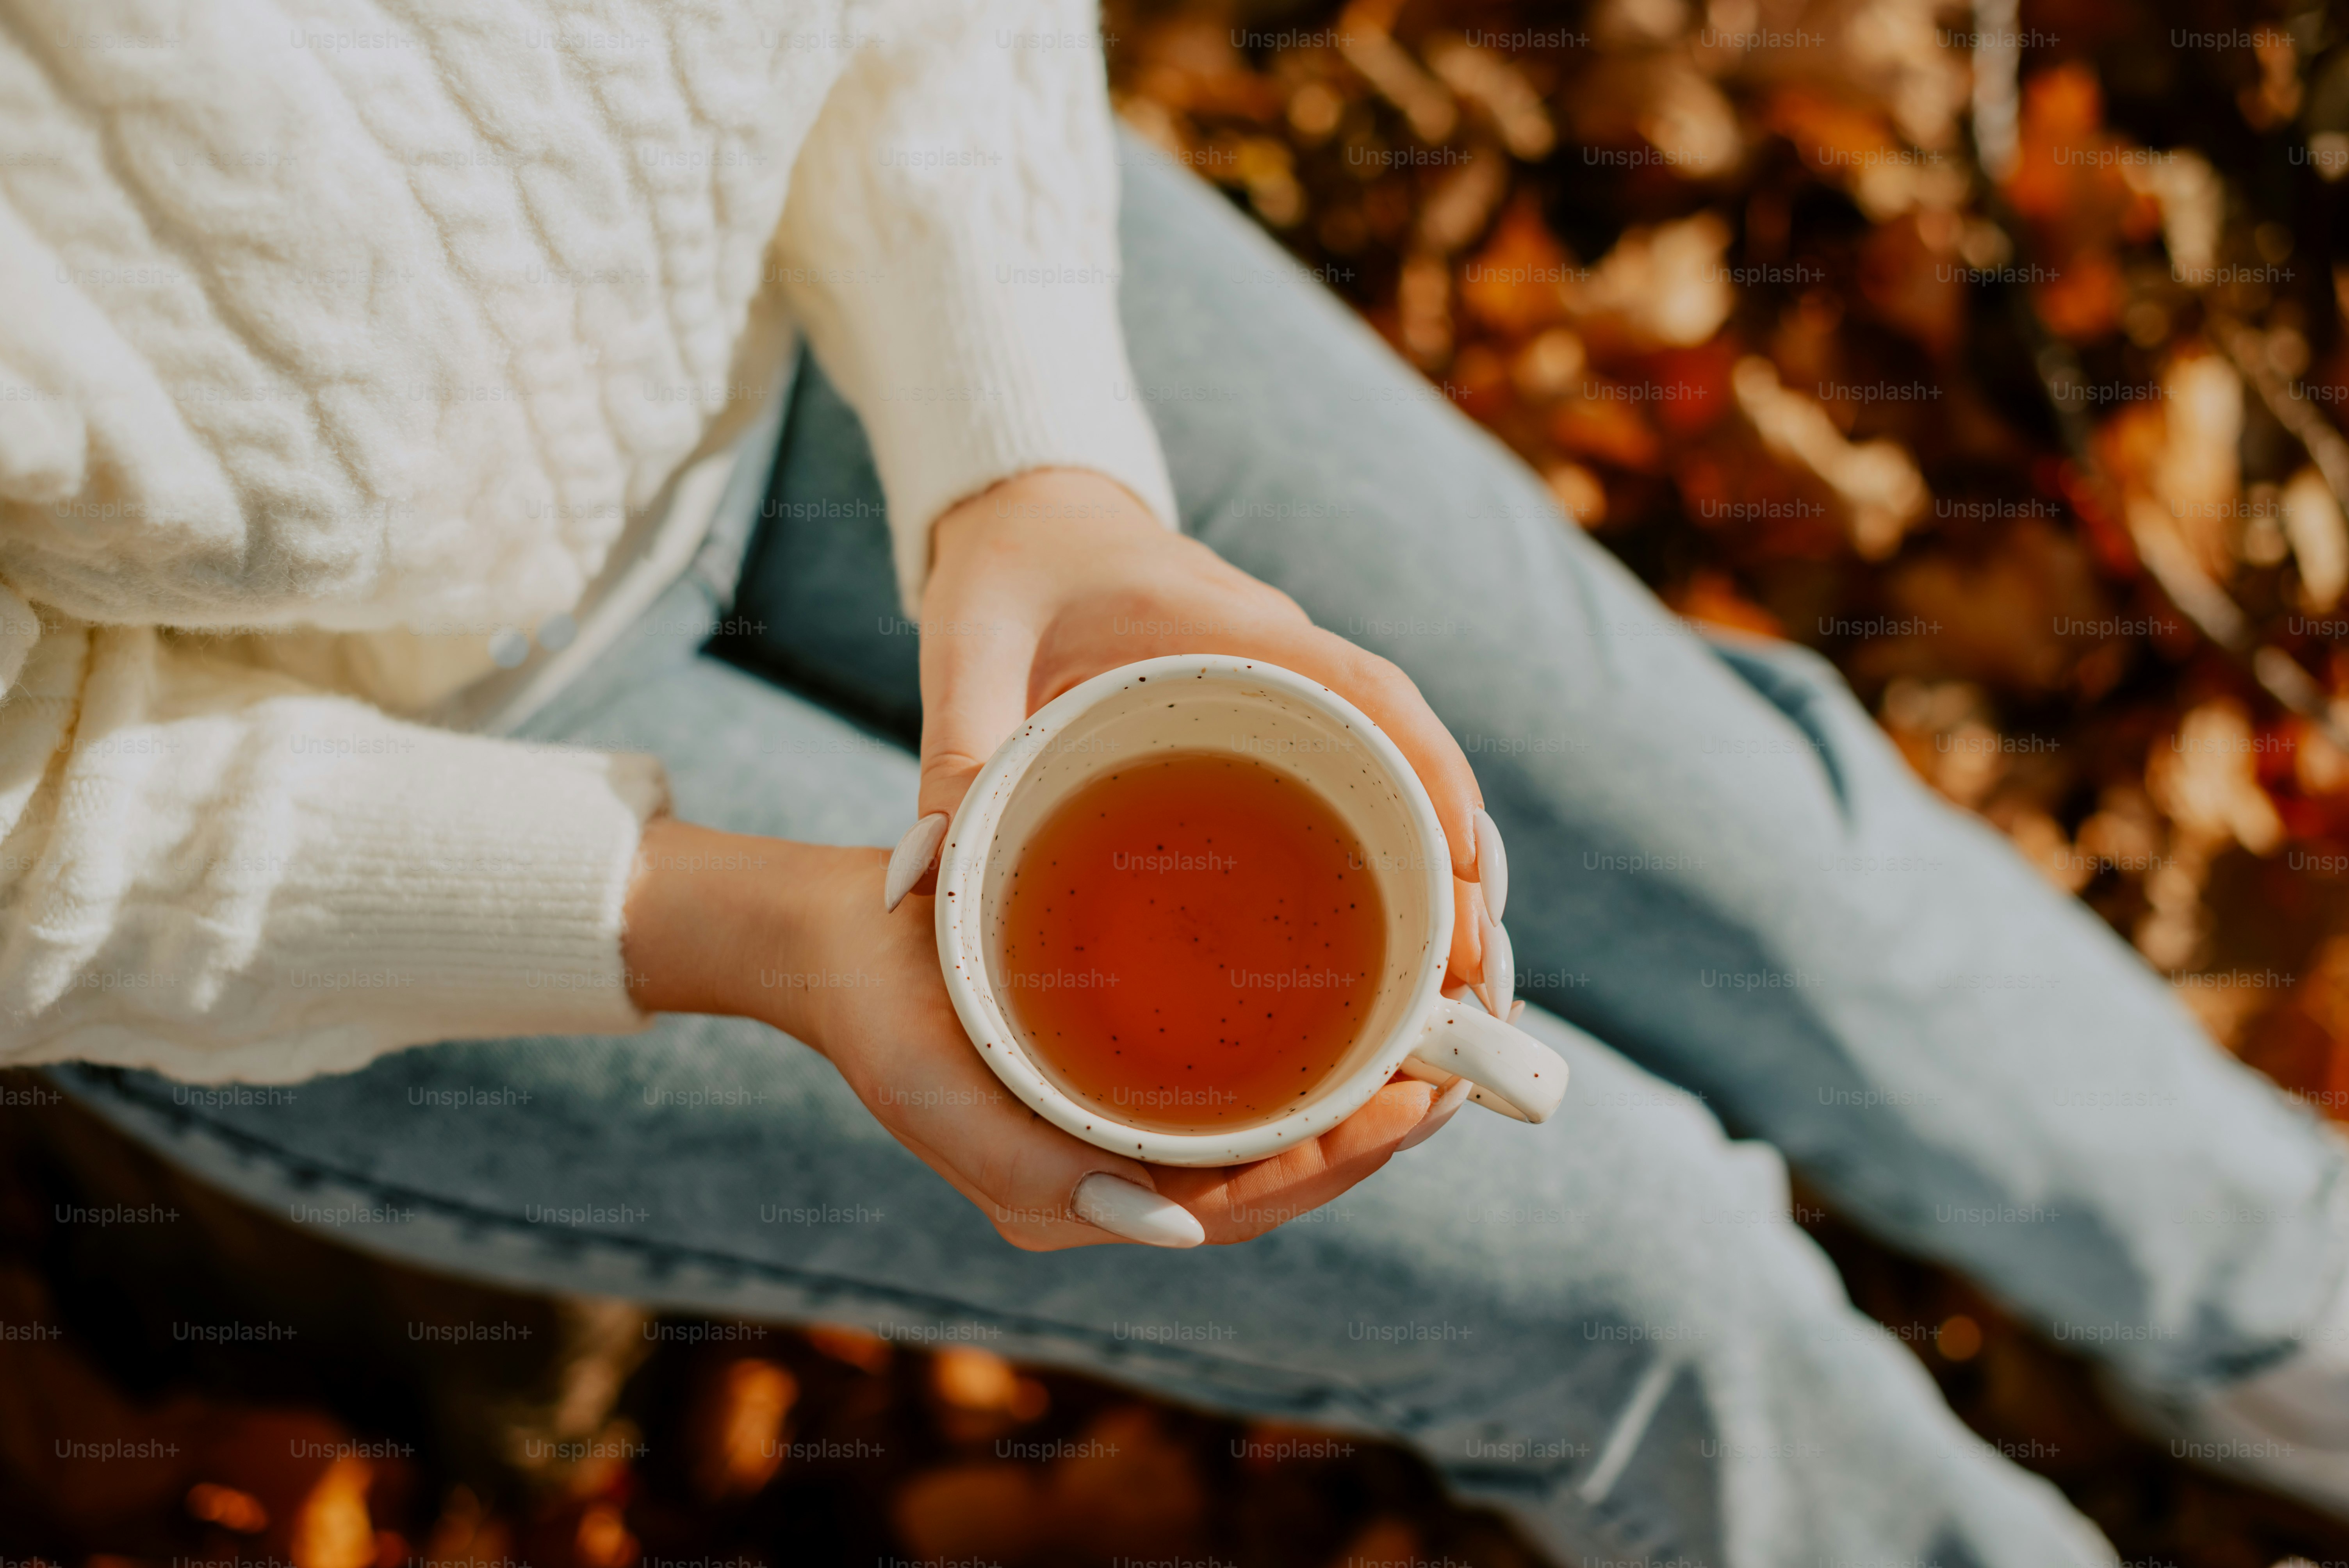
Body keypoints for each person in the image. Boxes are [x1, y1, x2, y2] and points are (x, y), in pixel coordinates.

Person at [5, 5, 2344, 1561]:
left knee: (1779, 876)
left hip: (822, 239)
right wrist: (748, 936)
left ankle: (2286, 1304)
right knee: (1624, 1282)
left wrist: (1036, 438)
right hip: (330, 801)